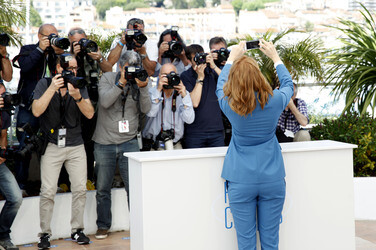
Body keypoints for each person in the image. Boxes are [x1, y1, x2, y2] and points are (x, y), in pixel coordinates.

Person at [216, 40, 294, 249]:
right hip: (272, 178)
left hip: (240, 179)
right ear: (259, 76)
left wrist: (231, 59)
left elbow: (219, 87)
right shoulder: (276, 100)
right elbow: (288, 85)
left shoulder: (230, 105)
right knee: (270, 241)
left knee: (246, 242)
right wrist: (275, 58)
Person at [32, 53, 94, 249]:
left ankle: (77, 230)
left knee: (80, 189)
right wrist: (52, 88)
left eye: (75, 68)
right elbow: (36, 110)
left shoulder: (79, 84)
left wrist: (77, 96)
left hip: (76, 145)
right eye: (67, 68)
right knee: (48, 191)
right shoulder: (45, 83)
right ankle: (44, 234)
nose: (71, 71)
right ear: (56, 69)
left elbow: (90, 114)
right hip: (52, 145)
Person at [92, 50, 151, 239]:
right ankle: (103, 226)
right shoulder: (108, 78)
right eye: (129, 68)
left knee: (134, 188)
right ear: (120, 66)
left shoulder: (140, 80)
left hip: (129, 142)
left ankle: (138, 225)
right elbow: (105, 102)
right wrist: (121, 82)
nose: (133, 72)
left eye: (136, 68)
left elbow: (147, 109)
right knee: (102, 188)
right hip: (104, 142)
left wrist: (143, 88)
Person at [14, 23, 64, 194]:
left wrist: (57, 52)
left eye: (55, 35)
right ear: (39, 36)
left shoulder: (56, 53)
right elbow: (25, 67)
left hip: (50, 108)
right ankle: (20, 186)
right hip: (28, 107)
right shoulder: (28, 49)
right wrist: (40, 50)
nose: (52, 39)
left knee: (51, 146)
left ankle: (50, 184)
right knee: (24, 145)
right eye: (49, 36)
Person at [68, 27, 112, 181]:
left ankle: (90, 178)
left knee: (92, 142)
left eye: (82, 41)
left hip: (94, 102)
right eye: (75, 42)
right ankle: (73, 179)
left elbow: (109, 70)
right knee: (78, 141)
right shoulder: (68, 57)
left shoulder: (94, 51)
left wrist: (99, 58)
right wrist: (74, 55)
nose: (80, 44)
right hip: (75, 102)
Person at [142, 63, 194, 150]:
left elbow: (189, 120)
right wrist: (158, 90)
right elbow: (151, 113)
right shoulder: (151, 93)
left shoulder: (182, 94)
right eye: (165, 75)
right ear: (159, 76)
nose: (168, 78)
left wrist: (184, 95)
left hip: (175, 144)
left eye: (171, 74)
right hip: (154, 144)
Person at [180, 44, 224, 148]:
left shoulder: (212, 71)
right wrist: (200, 77)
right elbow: (194, 102)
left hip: (216, 131)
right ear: (189, 61)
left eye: (202, 56)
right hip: (195, 132)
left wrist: (213, 66)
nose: (200, 61)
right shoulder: (185, 76)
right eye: (196, 58)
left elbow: (229, 81)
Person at [0, 84, 22, 250]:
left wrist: (2, 153)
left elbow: (3, 135)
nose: (3, 97)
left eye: (4, 93)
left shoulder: (4, 112)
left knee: (15, 198)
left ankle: (3, 234)